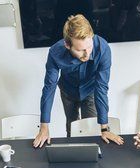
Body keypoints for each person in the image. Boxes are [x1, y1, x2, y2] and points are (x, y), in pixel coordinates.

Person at [33, 14, 124, 147]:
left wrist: (104, 128)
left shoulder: (103, 49)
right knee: (73, 127)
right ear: (67, 45)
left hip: (91, 91)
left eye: (89, 47)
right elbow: (49, 88)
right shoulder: (55, 52)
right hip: (67, 91)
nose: (87, 54)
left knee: (90, 129)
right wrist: (44, 127)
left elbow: (101, 88)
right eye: (80, 50)